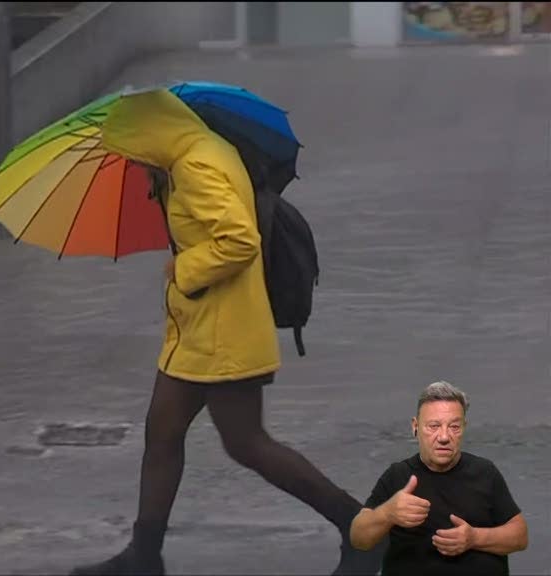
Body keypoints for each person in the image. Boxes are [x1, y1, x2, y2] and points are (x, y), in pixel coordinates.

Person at [69, 89, 384, 575]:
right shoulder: (189, 156)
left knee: (247, 443)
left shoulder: (197, 165)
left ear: (148, 133)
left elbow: (238, 240)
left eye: (129, 149)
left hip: (224, 333)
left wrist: (184, 268)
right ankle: (144, 557)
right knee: (163, 432)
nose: (129, 160)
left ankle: (362, 529)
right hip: (196, 332)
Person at [350, 381, 528, 575]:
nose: (444, 436)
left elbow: (520, 536)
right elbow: (359, 539)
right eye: (433, 426)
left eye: (454, 426)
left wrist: (475, 538)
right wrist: (388, 513)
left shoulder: (485, 472)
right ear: (415, 427)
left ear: (464, 427)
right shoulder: (397, 476)